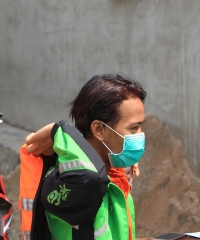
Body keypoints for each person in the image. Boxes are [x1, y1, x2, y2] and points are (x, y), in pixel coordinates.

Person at [20, 74, 146, 240]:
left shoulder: (114, 175)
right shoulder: (72, 183)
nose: (140, 135)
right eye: (134, 128)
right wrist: (60, 131)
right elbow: (91, 178)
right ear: (99, 129)